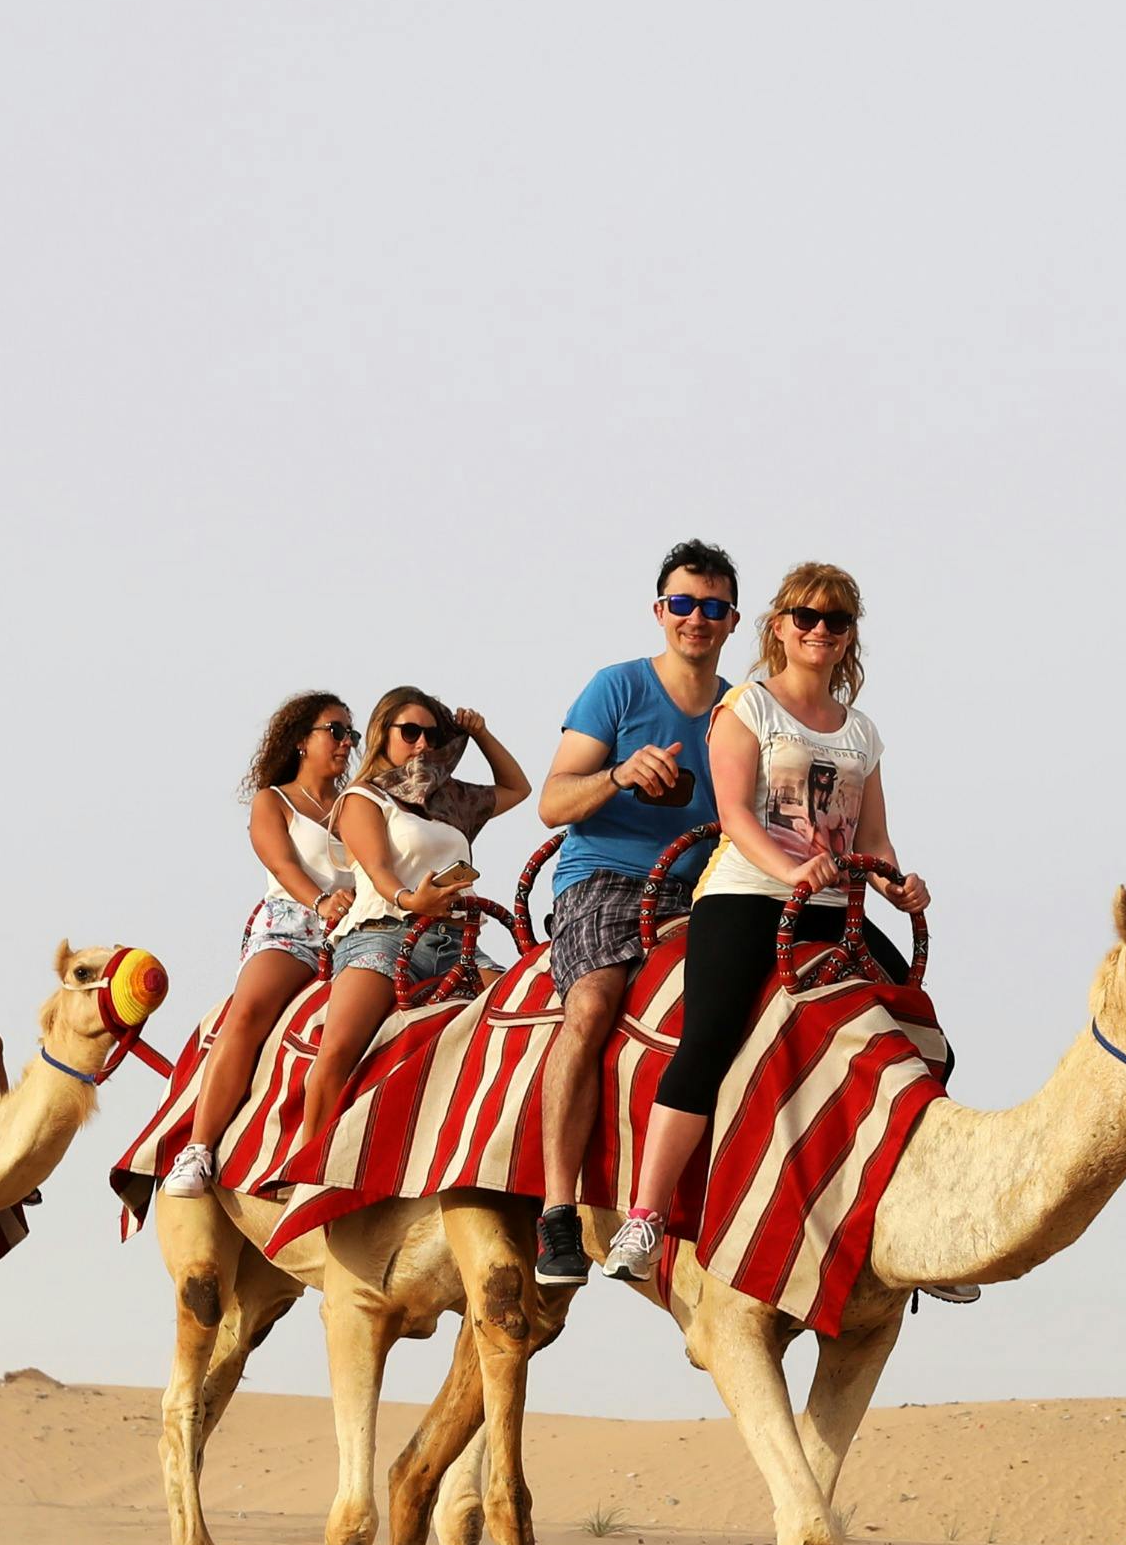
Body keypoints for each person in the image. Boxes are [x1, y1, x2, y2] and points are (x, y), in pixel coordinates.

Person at [602, 562, 934, 1286]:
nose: (819, 630)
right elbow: (736, 818)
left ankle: (918, 1222)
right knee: (710, 1034)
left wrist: (898, 885)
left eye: (836, 620)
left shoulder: (863, 733)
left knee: (918, 1033)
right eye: (806, 617)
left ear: (850, 638)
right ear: (778, 626)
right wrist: (789, 872)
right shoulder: (748, 708)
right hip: (749, 893)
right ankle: (646, 1216)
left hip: (832, 908)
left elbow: (872, 838)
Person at [528, 538, 739, 1280]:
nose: (696, 619)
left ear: (733, 621)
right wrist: (618, 774)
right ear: (660, 611)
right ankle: (558, 1212)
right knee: (590, 1007)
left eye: (712, 607)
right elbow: (553, 802)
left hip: (709, 885)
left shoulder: (742, 712)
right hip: (607, 879)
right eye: (683, 604)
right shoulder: (616, 688)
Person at [290, 691, 527, 1163]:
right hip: (383, 930)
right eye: (410, 732)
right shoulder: (365, 796)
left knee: (523, 1020)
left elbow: (518, 789)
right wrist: (409, 899)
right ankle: (307, 1167)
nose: (421, 745)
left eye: (432, 735)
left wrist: (480, 733)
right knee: (339, 1047)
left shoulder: (454, 801)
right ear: (384, 735)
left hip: (457, 940)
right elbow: (378, 870)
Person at [164, 693, 361, 1201]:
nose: (346, 743)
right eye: (334, 731)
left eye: (351, 734)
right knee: (248, 1011)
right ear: (302, 740)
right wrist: (321, 902)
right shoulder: (274, 801)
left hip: (361, 931)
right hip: (295, 924)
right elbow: (283, 866)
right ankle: (200, 1148)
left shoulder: (361, 802)